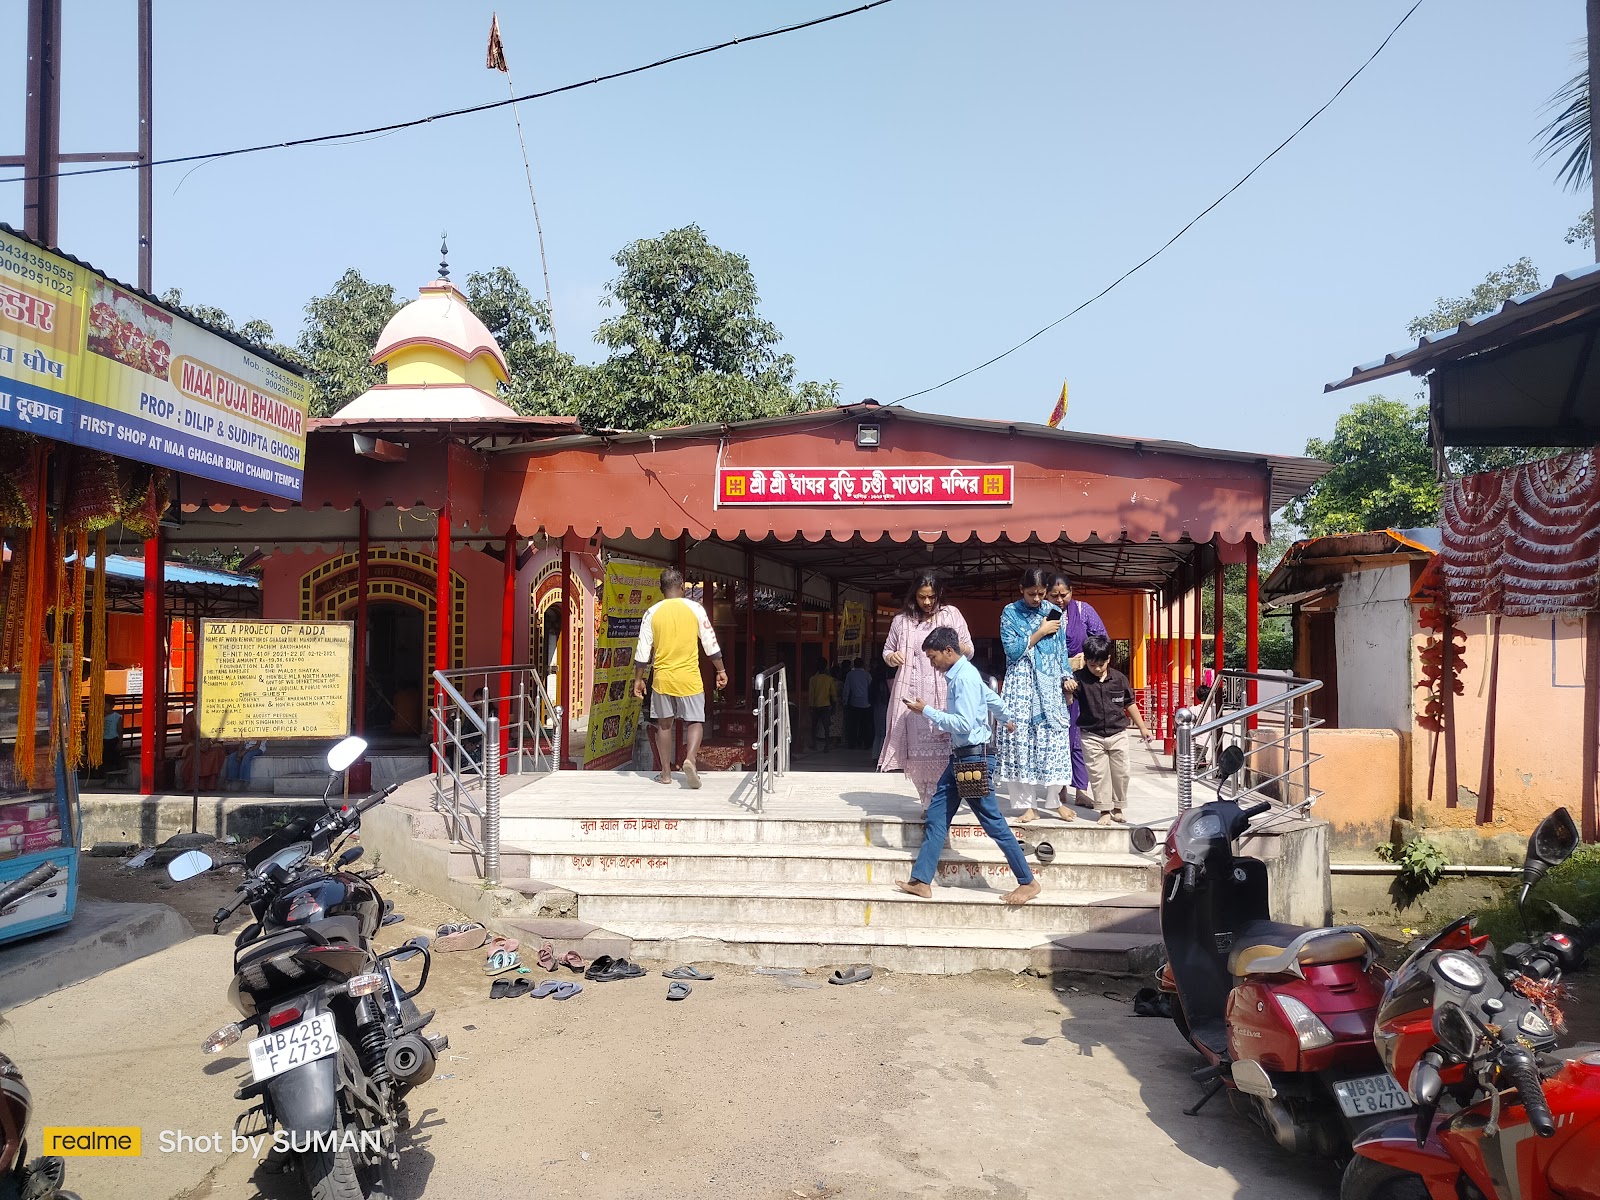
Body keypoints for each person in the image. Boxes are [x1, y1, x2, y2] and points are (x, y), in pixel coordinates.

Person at [894, 626, 1040, 906]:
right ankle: (921, 881)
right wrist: (1006, 717)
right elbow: (991, 699)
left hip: (973, 759)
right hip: (962, 758)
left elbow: (963, 723)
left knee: (993, 822)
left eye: (933, 656)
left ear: (949, 651)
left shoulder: (963, 680)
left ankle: (1028, 881)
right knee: (937, 815)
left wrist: (926, 710)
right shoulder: (967, 674)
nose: (932, 663)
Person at [877, 572, 975, 808]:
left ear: (939, 594)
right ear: (914, 595)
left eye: (932, 597)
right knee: (919, 754)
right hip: (913, 696)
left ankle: (943, 802)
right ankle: (926, 802)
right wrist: (893, 657)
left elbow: (969, 650)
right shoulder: (901, 621)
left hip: (944, 693)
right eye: (922, 597)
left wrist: (952, 645)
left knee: (945, 752)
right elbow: (887, 651)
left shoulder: (951, 614)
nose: (928, 602)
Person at [632, 569, 727, 789]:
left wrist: (639, 679)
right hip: (690, 678)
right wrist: (720, 670)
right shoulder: (696, 609)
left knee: (664, 726)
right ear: (682, 586)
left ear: (661, 589)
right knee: (695, 721)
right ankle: (690, 759)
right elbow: (710, 643)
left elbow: (642, 651)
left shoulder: (652, 613)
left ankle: (665, 774)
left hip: (662, 679)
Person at [997, 567, 1074, 822]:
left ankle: (1054, 801)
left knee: (1054, 738)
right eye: (1032, 594)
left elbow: (1061, 650)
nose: (1038, 599)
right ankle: (1028, 805)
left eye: (1042, 594)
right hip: (1021, 683)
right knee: (1021, 741)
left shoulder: (1054, 612)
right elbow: (1011, 650)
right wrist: (1040, 632)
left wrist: (1067, 678)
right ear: (1021, 590)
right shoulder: (1010, 613)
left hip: (1049, 684)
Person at [1073, 634, 1154, 825]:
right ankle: (1104, 809)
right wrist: (1067, 687)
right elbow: (1069, 701)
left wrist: (1143, 727)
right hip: (1091, 735)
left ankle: (1118, 807)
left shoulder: (1119, 679)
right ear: (1086, 661)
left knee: (1121, 772)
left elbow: (1130, 703)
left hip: (1118, 733)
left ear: (1109, 659)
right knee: (1098, 774)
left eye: (1101, 664)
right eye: (1092, 665)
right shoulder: (1079, 679)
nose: (1097, 668)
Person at [1048, 573, 1108, 812]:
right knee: (1058, 735)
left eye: (1064, 594)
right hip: (1052, 684)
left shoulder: (1084, 611)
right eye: (1055, 596)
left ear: (1072, 591)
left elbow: (1103, 639)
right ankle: (1060, 787)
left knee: (1079, 737)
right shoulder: (1043, 615)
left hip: (1082, 683)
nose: (1060, 599)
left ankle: (1081, 790)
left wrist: (1087, 658)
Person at [842, 657, 873, 749]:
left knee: (853, 725)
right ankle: (866, 743)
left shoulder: (850, 675)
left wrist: (845, 701)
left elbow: (847, 689)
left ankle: (852, 743)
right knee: (865, 725)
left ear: (854, 665)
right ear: (863, 664)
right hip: (866, 703)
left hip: (854, 702)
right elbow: (870, 688)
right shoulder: (867, 675)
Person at [808, 659, 837, 753]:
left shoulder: (813, 679)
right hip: (826, 705)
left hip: (815, 705)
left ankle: (813, 744)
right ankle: (827, 745)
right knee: (826, 726)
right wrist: (834, 704)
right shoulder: (829, 679)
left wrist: (811, 705)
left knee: (814, 726)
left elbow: (811, 694)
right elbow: (833, 693)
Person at [868, 662, 891, 758]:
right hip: (883, 708)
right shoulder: (882, 685)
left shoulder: (873, 684)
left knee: (877, 734)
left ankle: (875, 755)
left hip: (876, 709)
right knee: (882, 734)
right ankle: (881, 755)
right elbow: (884, 698)